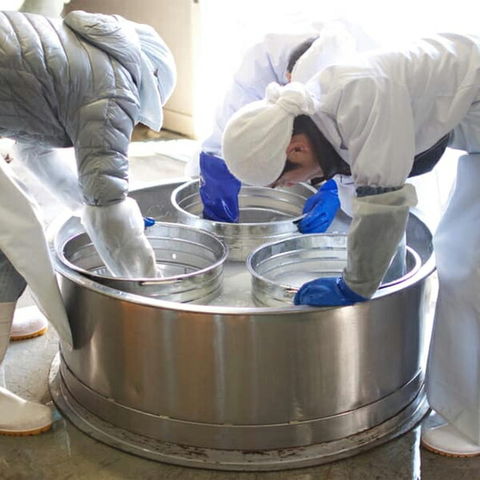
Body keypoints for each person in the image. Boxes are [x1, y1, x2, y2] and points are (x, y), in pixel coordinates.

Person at [222, 32, 480, 457]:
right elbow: (361, 191)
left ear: (297, 146)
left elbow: (382, 206)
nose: (291, 187)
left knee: (468, 267)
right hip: (470, 120)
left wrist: (355, 286)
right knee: (458, 250)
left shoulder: (363, 95)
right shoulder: (314, 110)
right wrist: (377, 273)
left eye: (286, 178)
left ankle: (473, 425)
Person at [0, 9, 176, 435]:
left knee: (16, 233)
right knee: (5, 246)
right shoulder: (115, 90)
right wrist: (150, 283)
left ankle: (4, 315)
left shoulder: (84, 54)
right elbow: (109, 212)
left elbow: (34, 151)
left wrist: (90, 205)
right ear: (149, 84)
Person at [195, 21, 379, 226]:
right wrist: (218, 194)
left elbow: (377, 167)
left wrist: (335, 187)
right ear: (288, 77)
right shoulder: (260, 66)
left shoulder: (358, 86)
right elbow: (223, 140)